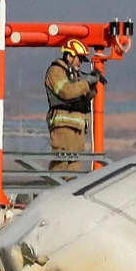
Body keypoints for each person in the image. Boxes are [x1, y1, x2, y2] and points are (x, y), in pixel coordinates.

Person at [44, 39, 100, 173]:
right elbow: (66, 91)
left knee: (73, 174)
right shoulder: (55, 71)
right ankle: (55, 194)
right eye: (79, 58)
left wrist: (92, 86)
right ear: (69, 56)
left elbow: (84, 97)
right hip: (63, 129)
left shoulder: (75, 75)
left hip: (77, 131)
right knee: (59, 169)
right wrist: (86, 83)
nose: (80, 62)